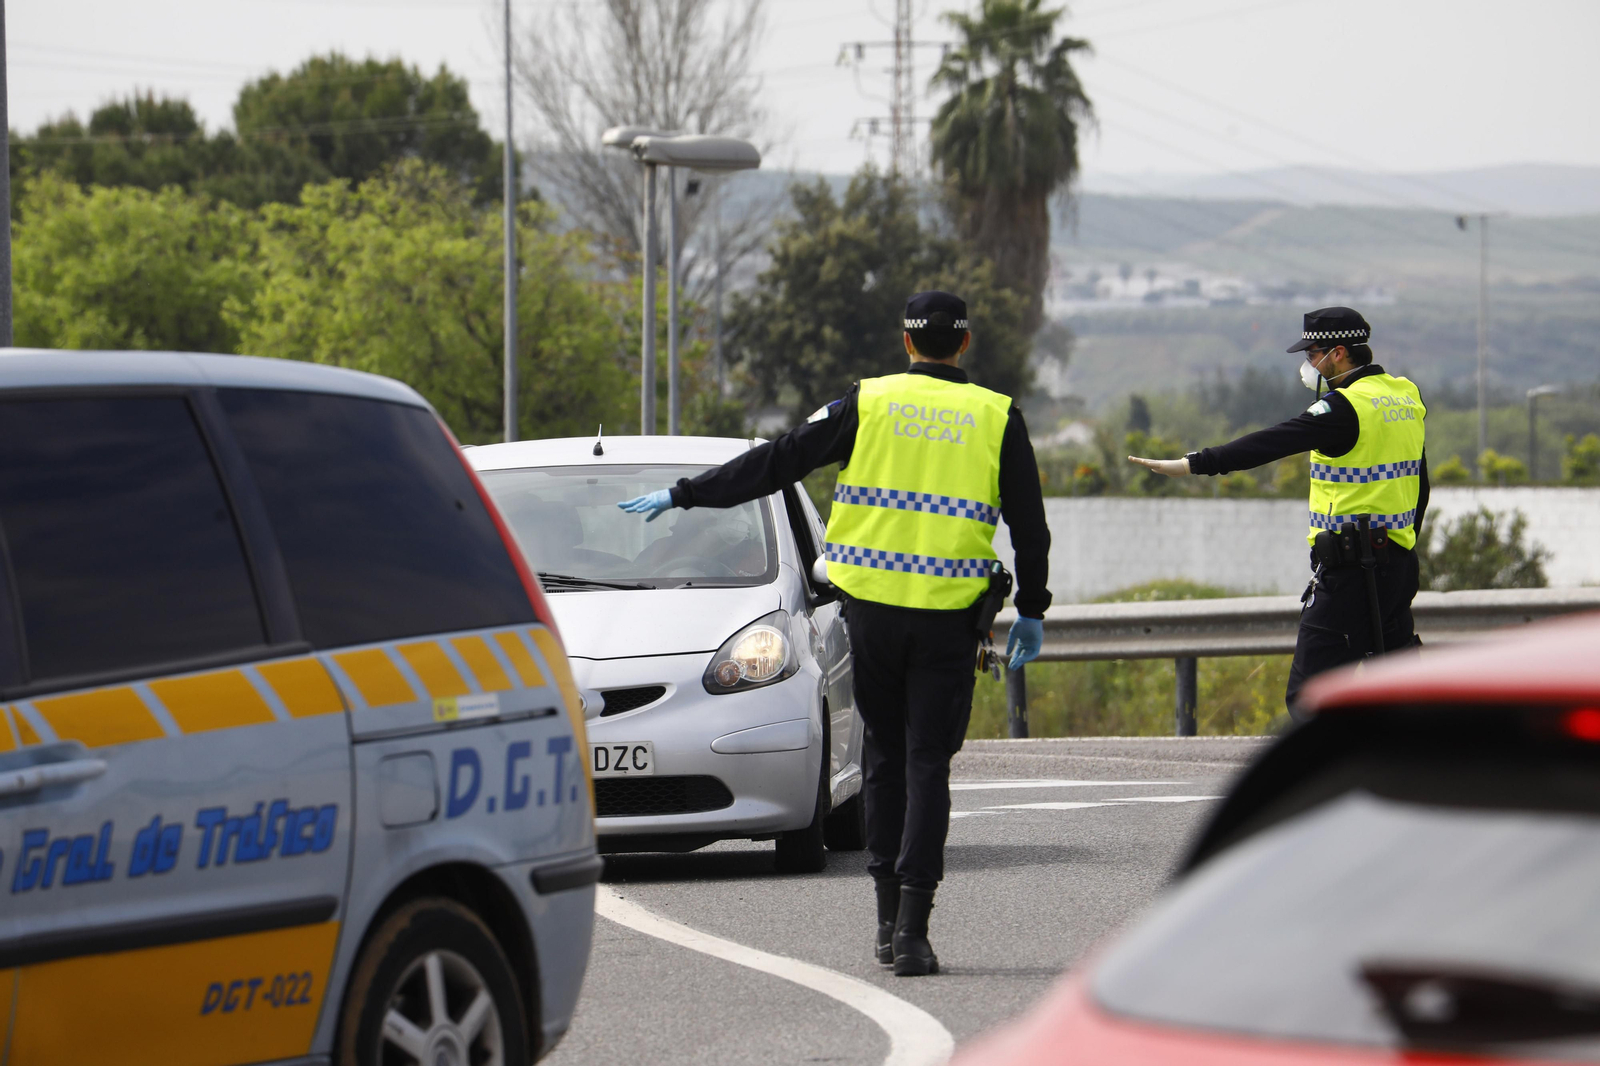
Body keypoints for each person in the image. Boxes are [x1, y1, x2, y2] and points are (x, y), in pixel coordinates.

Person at [618, 291, 1052, 976]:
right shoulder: (997, 415)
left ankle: (884, 923)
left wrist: (686, 493)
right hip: (948, 622)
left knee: (883, 761)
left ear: (906, 342)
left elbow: (779, 460)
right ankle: (914, 929)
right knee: (928, 764)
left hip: (872, 615)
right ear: (963, 345)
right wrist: (1032, 607)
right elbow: (1030, 527)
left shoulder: (867, 403)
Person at [1128, 306, 1428, 713]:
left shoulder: (1344, 408)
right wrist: (1402, 547)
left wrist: (1194, 463)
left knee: (1311, 698)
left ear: (1338, 353)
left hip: (1352, 573)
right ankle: (1412, 772)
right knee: (1404, 692)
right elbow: (1419, 486)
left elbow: (1272, 441)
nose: (1308, 365)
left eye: (1311, 355)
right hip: (1397, 566)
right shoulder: (1405, 396)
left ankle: (1331, 776)